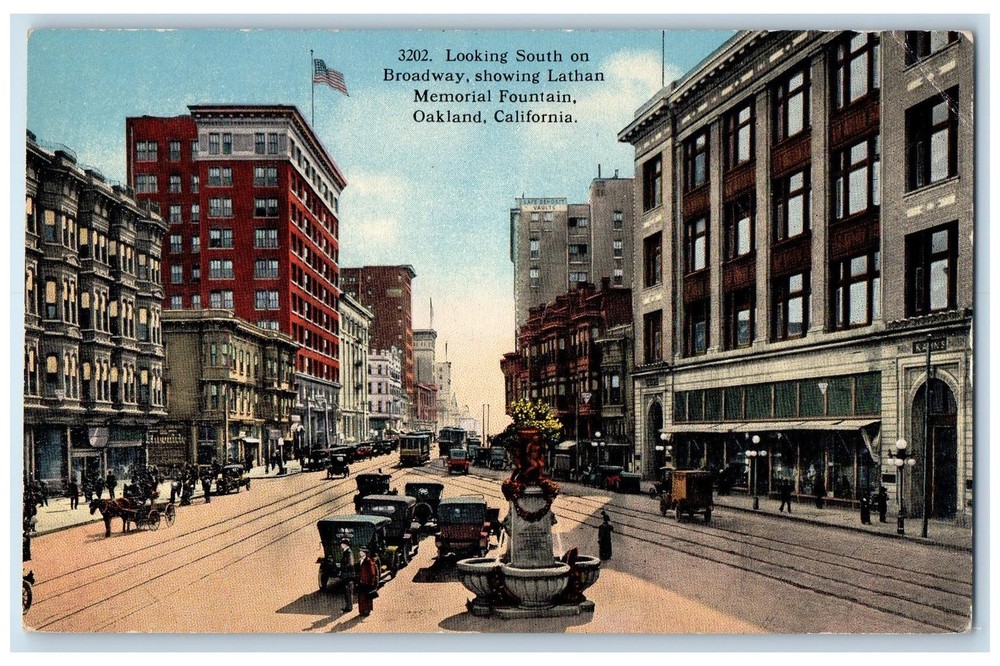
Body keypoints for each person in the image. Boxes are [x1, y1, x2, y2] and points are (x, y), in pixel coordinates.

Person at [357, 547, 379, 617]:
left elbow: (372, 573)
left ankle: (367, 610)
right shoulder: (361, 560)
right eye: (360, 551)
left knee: (367, 597)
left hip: (367, 582)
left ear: (365, 553)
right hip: (361, 582)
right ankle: (362, 611)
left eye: (361, 552)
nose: (360, 553)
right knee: (361, 597)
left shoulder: (368, 561)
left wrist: (372, 583)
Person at [338, 539, 355, 613]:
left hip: (348, 575)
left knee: (348, 591)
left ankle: (349, 607)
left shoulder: (348, 552)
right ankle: (348, 606)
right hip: (346, 574)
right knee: (347, 591)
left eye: (342, 543)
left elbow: (350, 564)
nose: (341, 545)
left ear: (345, 544)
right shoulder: (346, 552)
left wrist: (343, 568)